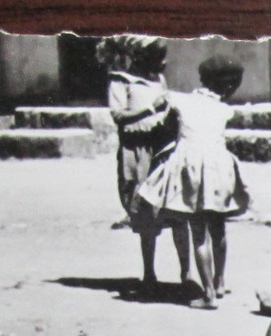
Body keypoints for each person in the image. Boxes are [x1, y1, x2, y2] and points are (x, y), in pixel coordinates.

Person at [133, 56, 252, 308]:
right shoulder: (224, 109)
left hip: (192, 171)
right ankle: (219, 282)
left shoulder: (179, 100)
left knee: (199, 234)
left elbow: (160, 110)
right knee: (218, 228)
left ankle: (208, 294)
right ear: (228, 88)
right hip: (220, 169)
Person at [97, 35, 190, 293]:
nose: (165, 62)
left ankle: (187, 274)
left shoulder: (158, 79)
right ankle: (149, 274)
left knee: (178, 211)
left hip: (163, 150)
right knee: (146, 213)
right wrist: (151, 108)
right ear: (140, 56)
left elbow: (165, 108)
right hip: (136, 152)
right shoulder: (120, 80)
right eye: (159, 56)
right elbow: (119, 116)